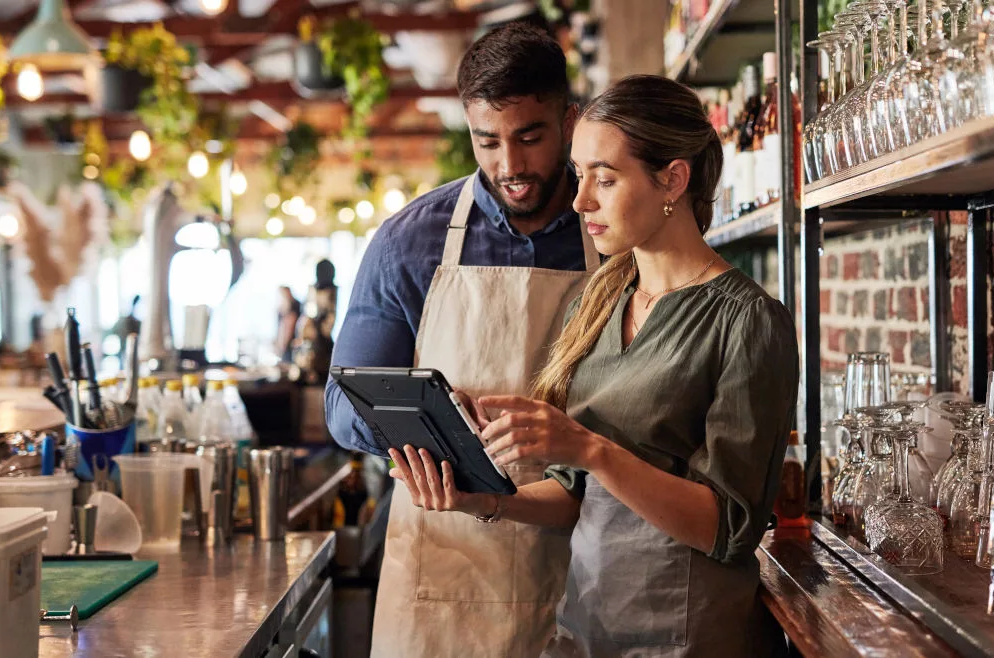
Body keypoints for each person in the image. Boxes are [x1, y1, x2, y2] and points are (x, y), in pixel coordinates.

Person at [388, 75, 800, 657]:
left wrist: (589, 448)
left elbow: (729, 528)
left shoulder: (749, 321)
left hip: (688, 635)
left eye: (604, 179)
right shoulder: (600, 299)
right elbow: (577, 495)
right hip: (586, 627)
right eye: (580, 176)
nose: (581, 201)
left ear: (673, 180)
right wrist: (479, 499)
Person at [323, 21, 598, 658]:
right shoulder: (408, 243)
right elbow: (342, 408)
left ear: (569, 121)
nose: (511, 166)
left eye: (530, 137)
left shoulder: (610, 234)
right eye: (488, 142)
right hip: (445, 575)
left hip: (585, 563)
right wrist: (427, 420)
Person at [275, 286, 301, 362]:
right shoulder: (282, 309)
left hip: (290, 346)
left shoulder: (294, 307)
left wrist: (281, 347)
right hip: (286, 346)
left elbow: (289, 328)